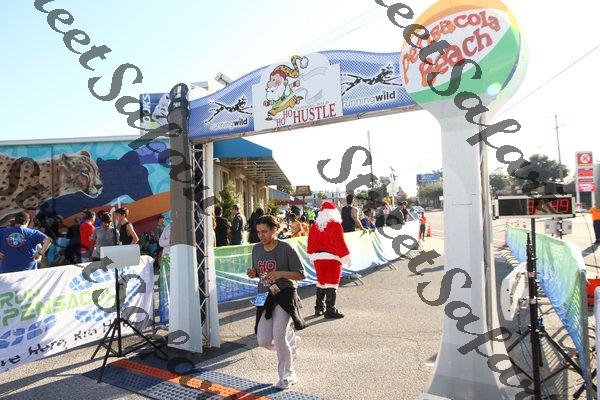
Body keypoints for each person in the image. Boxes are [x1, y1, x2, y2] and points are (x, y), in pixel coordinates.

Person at [246, 215, 305, 390]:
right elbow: (260, 272)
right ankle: (290, 343)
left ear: (275, 230)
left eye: (264, 231)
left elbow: (301, 274)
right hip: (264, 296)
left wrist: (281, 274)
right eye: (258, 232)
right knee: (263, 340)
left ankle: (287, 375)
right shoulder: (256, 248)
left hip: (284, 295)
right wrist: (253, 273)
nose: (261, 235)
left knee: (278, 336)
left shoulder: (286, 248)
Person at [307, 201, 350, 319]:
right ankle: (330, 309)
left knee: (321, 281)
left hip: (318, 258)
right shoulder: (335, 225)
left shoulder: (314, 226)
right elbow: (340, 242)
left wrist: (310, 254)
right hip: (332, 258)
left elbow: (310, 242)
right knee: (332, 282)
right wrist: (345, 256)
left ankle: (319, 308)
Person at [158, 223, 172, 325]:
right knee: (166, 284)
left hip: (177, 258)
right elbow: (160, 242)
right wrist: (170, 241)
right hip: (166, 260)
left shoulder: (184, 226)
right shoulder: (168, 227)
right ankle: (166, 308)